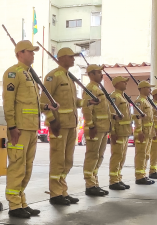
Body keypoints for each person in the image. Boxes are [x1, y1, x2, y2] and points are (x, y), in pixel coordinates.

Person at [41, 47, 98, 205]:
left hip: (71, 124)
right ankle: (55, 194)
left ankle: (62, 191)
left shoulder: (69, 78)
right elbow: (44, 102)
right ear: (62, 58)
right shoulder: (53, 77)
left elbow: (75, 102)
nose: (73, 59)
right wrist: (52, 120)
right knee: (58, 160)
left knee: (68, 161)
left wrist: (88, 102)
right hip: (59, 125)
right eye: (70, 57)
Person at [3, 40, 53, 218]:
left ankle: (21, 201)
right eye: (30, 52)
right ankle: (14, 205)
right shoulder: (13, 73)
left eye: (33, 52)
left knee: (27, 167)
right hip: (20, 129)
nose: (33, 54)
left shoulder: (29, 75)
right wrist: (12, 126)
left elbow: (33, 103)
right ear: (20, 53)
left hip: (31, 128)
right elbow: (9, 102)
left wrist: (47, 107)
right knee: (17, 166)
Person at [82, 65, 112, 197]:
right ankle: (90, 185)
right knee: (92, 156)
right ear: (91, 74)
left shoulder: (98, 88)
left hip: (103, 128)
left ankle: (94, 183)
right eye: (99, 72)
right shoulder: (90, 89)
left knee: (99, 156)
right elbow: (86, 108)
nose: (102, 75)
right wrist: (91, 125)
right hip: (95, 128)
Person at [108, 75, 133, 191]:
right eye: (123, 82)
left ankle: (118, 178)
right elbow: (112, 116)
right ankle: (113, 181)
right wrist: (112, 132)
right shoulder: (114, 97)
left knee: (122, 157)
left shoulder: (122, 97)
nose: (126, 84)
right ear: (117, 84)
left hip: (125, 131)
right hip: (118, 131)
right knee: (116, 156)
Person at [132, 81, 156, 185]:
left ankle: (143, 174)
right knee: (141, 154)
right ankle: (139, 176)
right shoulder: (139, 101)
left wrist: (153, 131)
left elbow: (151, 119)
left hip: (148, 132)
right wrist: (139, 131)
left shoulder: (147, 101)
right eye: (148, 88)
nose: (150, 90)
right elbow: (138, 118)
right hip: (143, 132)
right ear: (142, 89)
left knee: (146, 155)